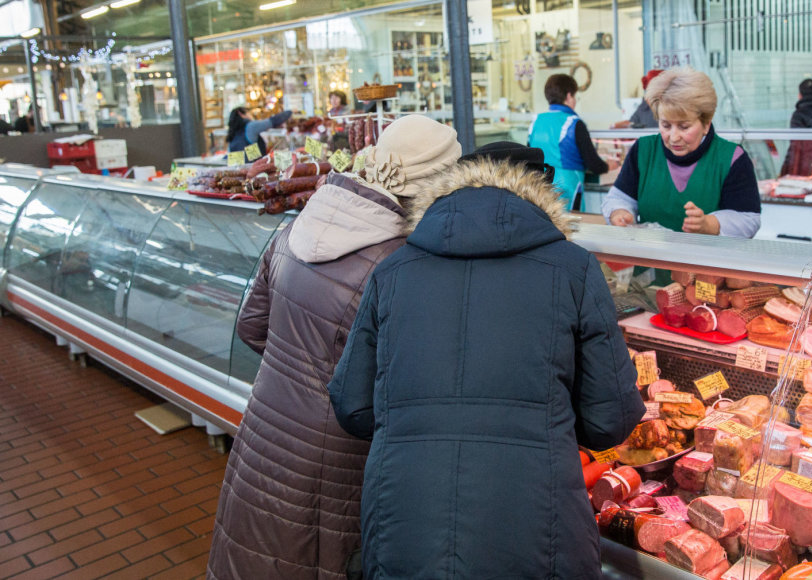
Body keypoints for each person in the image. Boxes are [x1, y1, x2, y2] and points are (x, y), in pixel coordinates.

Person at [328, 141, 644, 578]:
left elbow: (352, 405)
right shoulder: (575, 268)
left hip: (406, 519)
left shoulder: (393, 269)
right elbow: (610, 419)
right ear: (542, 195)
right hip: (536, 530)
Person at [207, 115, 463, 580]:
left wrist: (302, 372)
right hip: (337, 465)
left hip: (265, 433)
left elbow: (252, 328)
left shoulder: (297, 227)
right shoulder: (398, 264)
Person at [602, 67, 761, 239]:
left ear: (706, 124)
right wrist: (619, 213)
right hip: (651, 263)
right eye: (666, 125)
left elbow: (749, 220)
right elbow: (619, 198)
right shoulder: (643, 151)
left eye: (684, 127)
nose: (674, 137)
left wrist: (709, 224)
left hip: (707, 263)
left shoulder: (732, 158)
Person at [529, 73, 618, 212]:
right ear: (569, 96)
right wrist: (609, 166)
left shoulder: (536, 122)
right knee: (569, 229)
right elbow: (594, 164)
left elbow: (529, 156)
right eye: (575, 96)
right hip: (568, 187)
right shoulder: (573, 123)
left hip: (539, 187)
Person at [226, 106, 293, 156]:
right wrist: (290, 112)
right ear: (241, 114)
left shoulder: (233, 131)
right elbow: (273, 121)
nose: (251, 115)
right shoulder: (251, 126)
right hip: (251, 167)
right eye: (249, 113)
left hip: (237, 167)